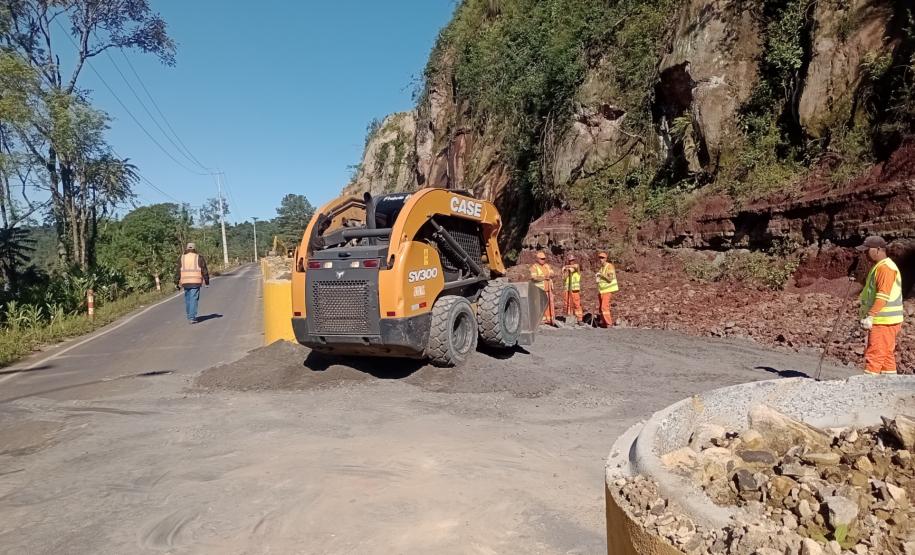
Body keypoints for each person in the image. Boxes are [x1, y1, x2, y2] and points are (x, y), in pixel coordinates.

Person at [857, 235, 904, 375]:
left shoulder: (885, 268)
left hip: (883, 321)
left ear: (878, 249)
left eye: (867, 250)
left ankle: (868, 388)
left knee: (875, 355)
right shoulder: (880, 267)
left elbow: (883, 296)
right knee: (886, 356)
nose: (865, 253)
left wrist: (870, 316)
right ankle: (889, 386)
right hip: (887, 321)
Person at [176, 242, 210, 324]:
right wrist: (207, 281)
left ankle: (189, 315)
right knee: (194, 298)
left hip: (185, 282)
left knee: (188, 299)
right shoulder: (199, 257)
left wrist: (176, 281)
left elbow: (178, 271)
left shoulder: (182, 258)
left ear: (187, 249)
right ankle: (192, 317)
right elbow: (204, 270)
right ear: (194, 249)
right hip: (195, 281)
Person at [530, 251, 555, 325]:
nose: (543, 260)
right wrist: (544, 277)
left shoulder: (547, 266)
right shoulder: (534, 267)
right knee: (540, 305)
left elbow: (552, 273)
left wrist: (549, 275)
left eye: (544, 259)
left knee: (549, 304)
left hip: (548, 289)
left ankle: (549, 319)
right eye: (541, 259)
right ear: (537, 259)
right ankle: (540, 319)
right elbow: (533, 277)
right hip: (539, 290)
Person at [596, 252, 619, 327]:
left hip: (607, 290)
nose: (601, 259)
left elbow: (610, 278)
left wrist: (601, 275)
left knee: (604, 307)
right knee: (601, 308)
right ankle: (603, 322)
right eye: (600, 258)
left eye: (602, 258)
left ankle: (609, 323)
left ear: (606, 259)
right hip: (601, 290)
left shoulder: (609, 266)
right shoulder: (601, 268)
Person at [562, 254, 583, 324]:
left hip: (575, 290)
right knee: (567, 304)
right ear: (568, 261)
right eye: (570, 260)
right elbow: (564, 278)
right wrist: (567, 271)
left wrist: (567, 267)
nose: (571, 262)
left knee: (577, 304)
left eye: (572, 260)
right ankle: (569, 316)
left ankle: (579, 319)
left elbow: (576, 266)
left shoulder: (576, 267)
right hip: (567, 290)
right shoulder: (566, 270)